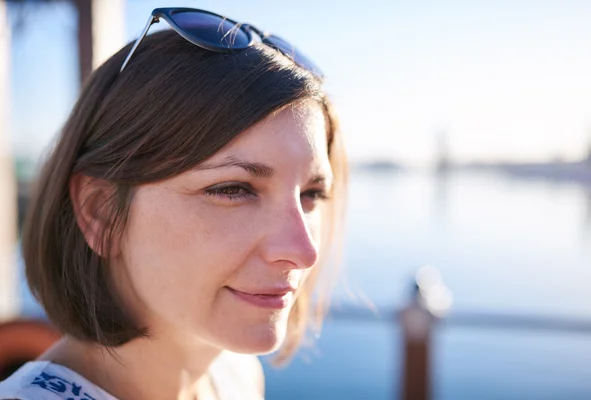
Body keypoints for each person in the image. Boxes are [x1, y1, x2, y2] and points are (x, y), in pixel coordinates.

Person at [0, 7, 346, 400]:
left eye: (311, 195)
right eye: (233, 189)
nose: (303, 252)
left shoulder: (234, 377)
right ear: (100, 212)